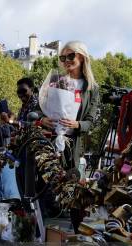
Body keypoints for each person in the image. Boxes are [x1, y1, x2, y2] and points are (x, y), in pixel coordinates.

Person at [40, 41, 100, 169]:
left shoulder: (92, 88)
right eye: (63, 58)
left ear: (82, 57)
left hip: (73, 148)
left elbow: (90, 122)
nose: (66, 60)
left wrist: (77, 124)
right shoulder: (56, 81)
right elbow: (38, 108)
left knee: (68, 186)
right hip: (48, 144)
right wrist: (42, 119)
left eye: (70, 56)